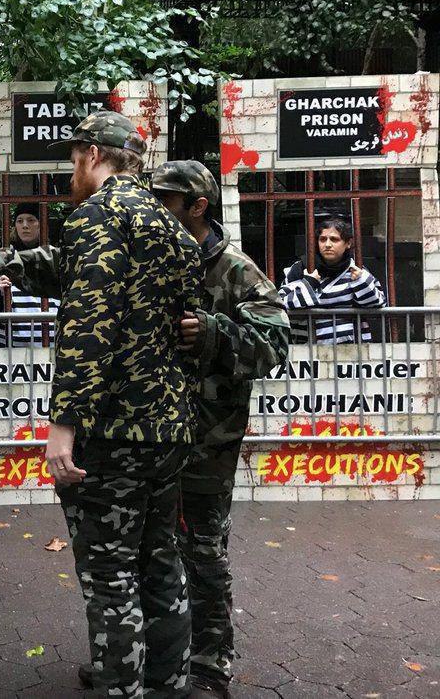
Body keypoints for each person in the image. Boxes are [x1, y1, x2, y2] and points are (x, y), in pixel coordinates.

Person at [0, 110, 203, 698]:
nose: (70, 172)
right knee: (159, 559)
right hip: (168, 426)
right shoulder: (171, 226)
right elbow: (75, 270)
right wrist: (3, 260)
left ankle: (121, 685)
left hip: (113, 431)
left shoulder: (98, 215)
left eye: (73, 160)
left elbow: (89, 326)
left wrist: (63, 424)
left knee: (109, 571)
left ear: (93, 154)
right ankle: (170, 680)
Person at [150, 161, 290, 697]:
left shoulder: (236, 270)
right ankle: (150, 654)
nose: (155, 207)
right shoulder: (151, 259)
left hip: (207, 442)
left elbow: (274, 346)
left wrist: (212, 332)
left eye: (166, 199)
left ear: (198, 205)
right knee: (150, 551)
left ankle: (209, 664)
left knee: (202, 553)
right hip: (150, 437)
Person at [279, 217, 385, 344]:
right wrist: (309, 283)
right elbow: (279, 304)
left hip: (353, 351)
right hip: (308, 351)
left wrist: (360, 281)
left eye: (334, 239)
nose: (327, 245)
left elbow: (378, 305)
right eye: (322, 239)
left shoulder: (357, 270)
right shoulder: (300, 269)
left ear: (348, 243)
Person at [0, 202, 58, 346]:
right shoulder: (0, 259)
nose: (25, 225)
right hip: (7, 353)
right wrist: (1, 296)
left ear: (42, 225)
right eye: (20, 221)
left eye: (31, 220)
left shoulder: (54, 260)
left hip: (51, 351)